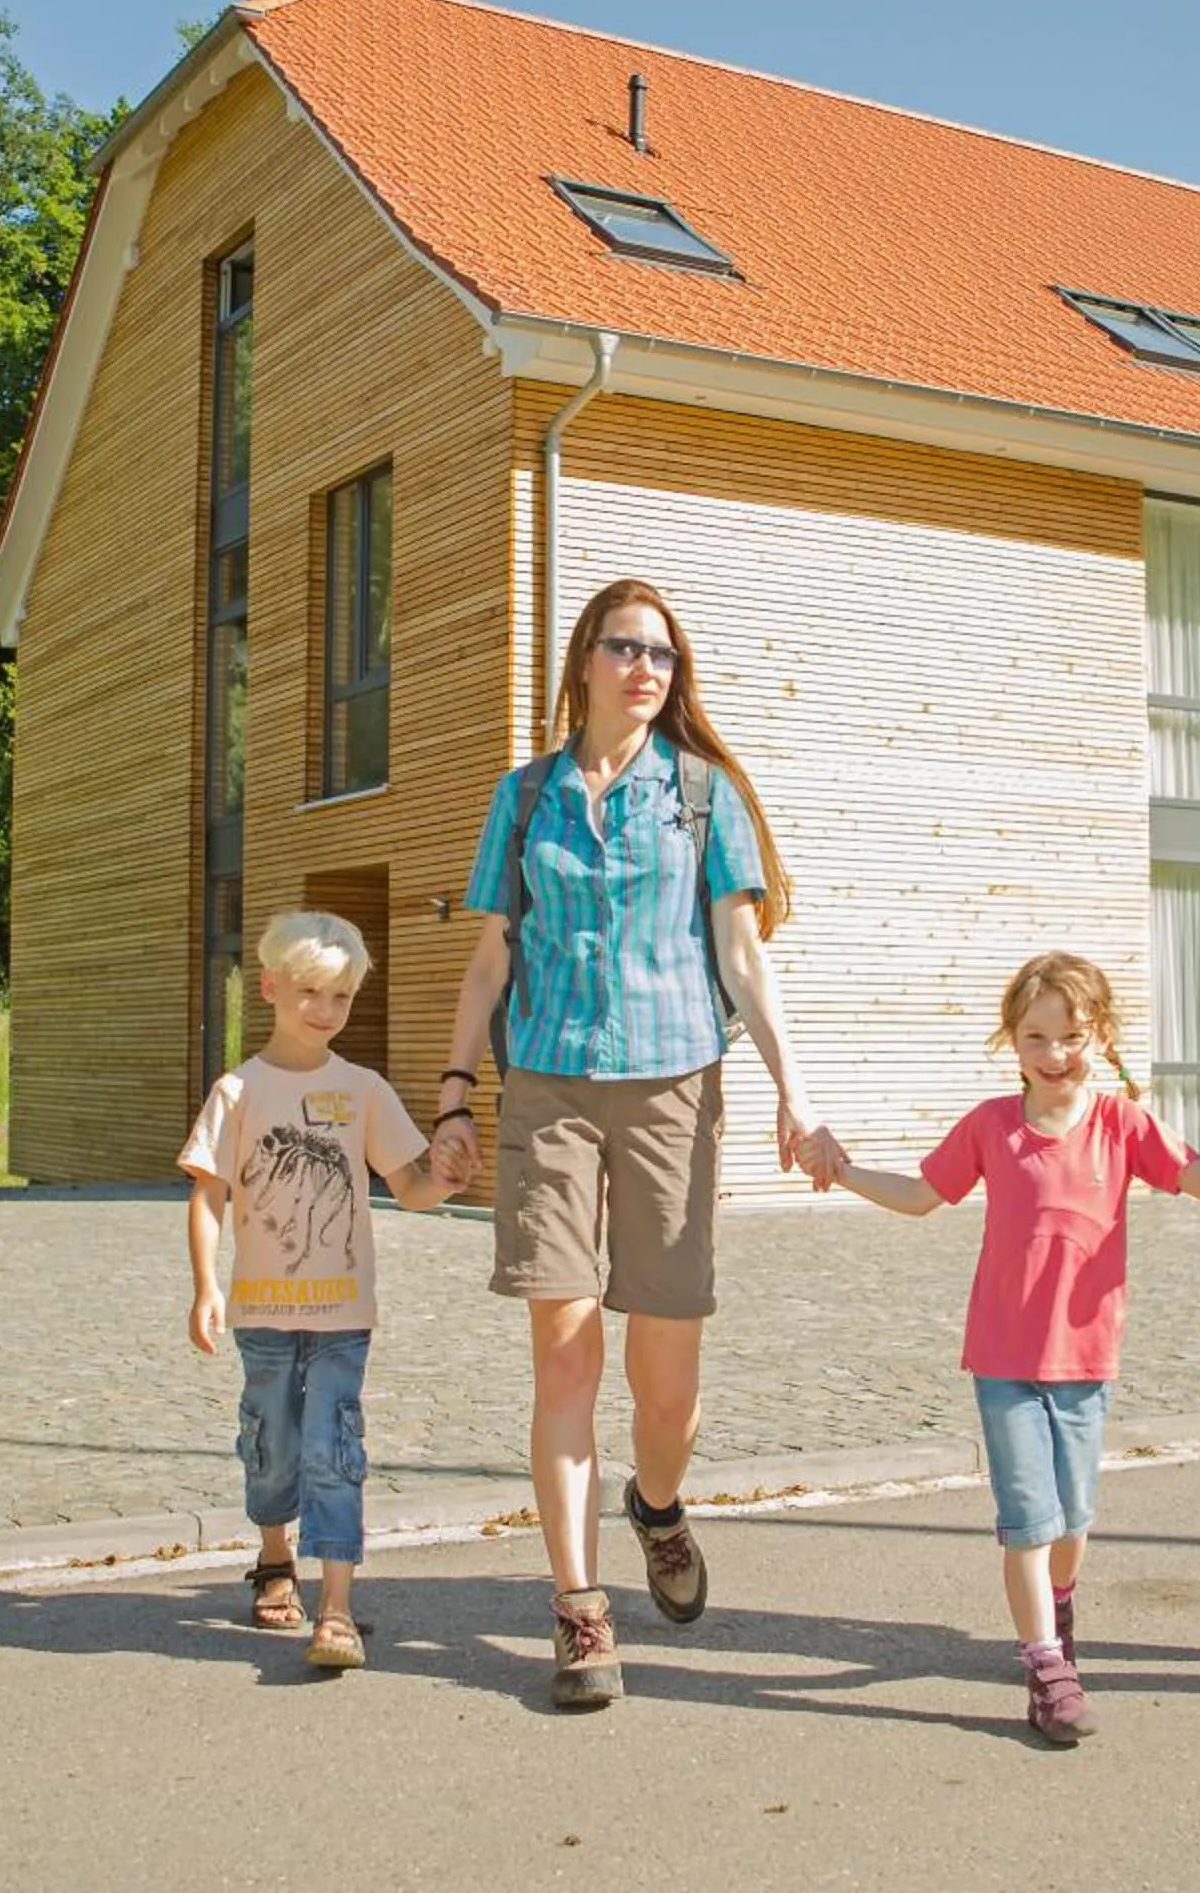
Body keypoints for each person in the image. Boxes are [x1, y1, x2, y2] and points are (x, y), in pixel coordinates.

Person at [429, 578, 840, 1710]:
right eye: (624, 646)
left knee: (667, 1388)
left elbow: (746, 961)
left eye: (662, 652)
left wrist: (794, 1098)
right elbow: (489, 961)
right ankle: (578, 1606)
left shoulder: (702, 798)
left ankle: (657, 1505)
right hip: (550, 1088)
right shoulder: (523, 801)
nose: (645, 668)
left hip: (672, 1090)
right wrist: (457, 1091)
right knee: (564, 1354)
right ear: (584, 661)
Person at [827, 952, 1200, 1744]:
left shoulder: (1123, 1125)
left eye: (1072, 1036)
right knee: (1029, 1521)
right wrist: (840, 1171)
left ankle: (1059, 1602)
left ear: (1101, 1034)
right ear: (1011, 1041)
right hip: (1005, 1359)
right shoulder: (989, 1126)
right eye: (1036, 1037)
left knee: (1074, 1519)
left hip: (1086, 1362)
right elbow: (919, 1197)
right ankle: (1045, 1665)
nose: (1054, 1055)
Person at [179, 910, 462, 1673]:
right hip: (262, 1317)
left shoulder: (363, 1090)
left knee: (334, 1450)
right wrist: (206, 1286)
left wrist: (445, 1174)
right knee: (273, 1447)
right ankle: (276, 1558)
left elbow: (408, 1183)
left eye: (338, 996)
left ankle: (335, 1610)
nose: (323, 1010)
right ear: (269, 987)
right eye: (307, 991)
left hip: (344, 1317)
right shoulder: (238, 1092)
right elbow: (208, 1194)